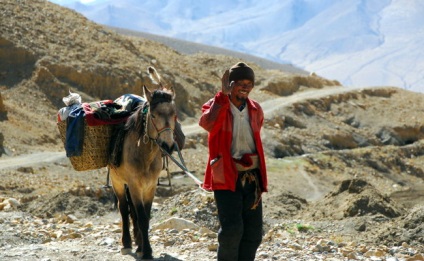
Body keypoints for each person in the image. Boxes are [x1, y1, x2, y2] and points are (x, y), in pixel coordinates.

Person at [199, 62, 268, 261]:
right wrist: (221, 98)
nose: (245, 87)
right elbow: (207, 124)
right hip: (226, 176)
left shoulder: (255, 109)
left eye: (249, 83)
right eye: (240, 82)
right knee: (231, 231)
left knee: (253, 234)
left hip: (252, 177)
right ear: (230, 84)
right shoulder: (217, 105)